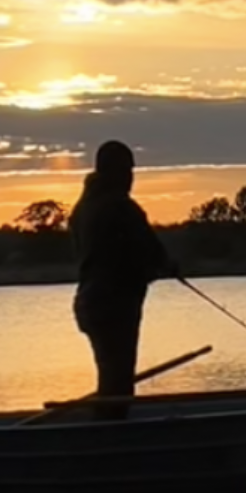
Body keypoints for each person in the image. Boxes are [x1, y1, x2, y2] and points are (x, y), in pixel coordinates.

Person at [70, 140, 174, 419]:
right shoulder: (119, 206)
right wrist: (166, 266)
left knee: (112, 378)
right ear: (114, 172)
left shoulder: (83, 207)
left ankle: (107, 431)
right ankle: (110, 437)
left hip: (89, 302)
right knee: (117, 380)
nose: (131, 178)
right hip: (113, 304)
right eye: (127, 171)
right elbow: (151, 250)